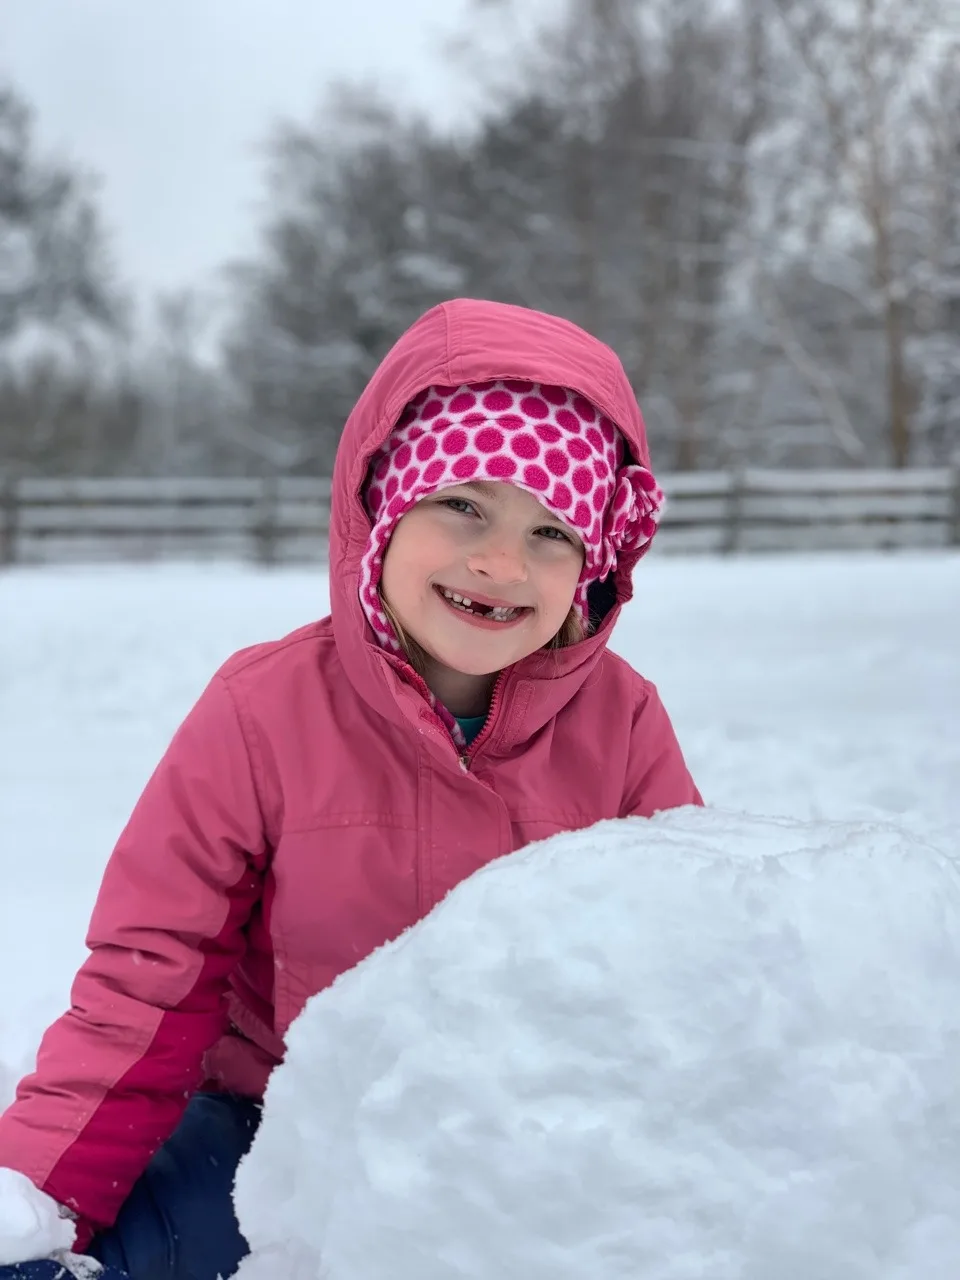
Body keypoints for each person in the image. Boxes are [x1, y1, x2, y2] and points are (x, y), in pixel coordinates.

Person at [0, 298, 702, 1280]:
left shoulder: (622, 724)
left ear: (595, 564)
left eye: (552, 529)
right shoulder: (263, 709)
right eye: (465, 502)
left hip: (531, 1140)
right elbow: (147, 980)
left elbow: (694, 968)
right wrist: (36, 1205)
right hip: (272, 1127)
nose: (502, 559)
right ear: (385, 504)